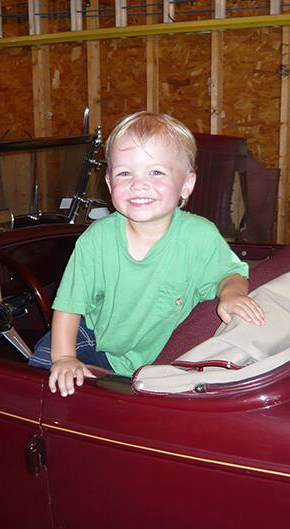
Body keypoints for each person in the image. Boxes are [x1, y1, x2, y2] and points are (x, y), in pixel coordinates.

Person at [29, 111, 265, 396]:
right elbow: (69, 307)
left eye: (156, 172)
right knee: (44, 363)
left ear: (186, 184)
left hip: (159, 358)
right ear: (109, 184)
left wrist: (232, 293)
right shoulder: (95, 240)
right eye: (125, 173)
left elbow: (230, 273)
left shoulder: (199, 236)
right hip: (98, 342)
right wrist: (65, 358)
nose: (138, 184)